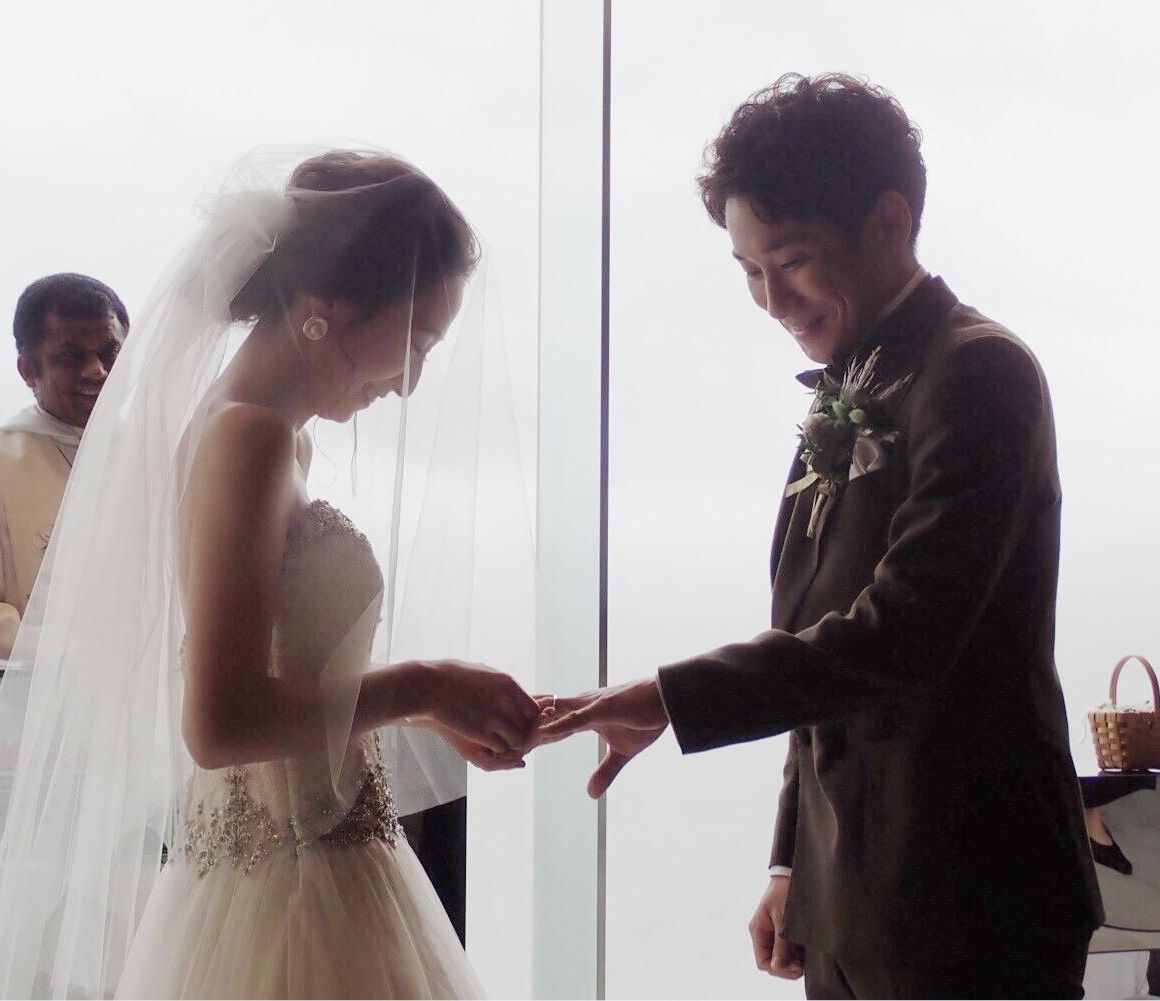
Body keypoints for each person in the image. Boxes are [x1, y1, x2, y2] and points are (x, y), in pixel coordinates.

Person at [539, 73, 1103, 999]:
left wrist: (673, 696)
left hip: (972, 898)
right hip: (851, 902)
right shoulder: (857, 378)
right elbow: (815, 633)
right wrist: (792, 860)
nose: (769, 298)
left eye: (791, 260)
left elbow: (904, 633)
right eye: (748, 270)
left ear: (889, 221)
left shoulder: (980, 372)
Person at [0, 150, 538, 999]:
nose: (408, 381)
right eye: (414, 341)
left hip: (326, 852)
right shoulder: (243, 438)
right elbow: (220, 722)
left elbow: (291, 668)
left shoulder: (279, 437)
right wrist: (428, 684)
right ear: (325, 309)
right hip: (285, 883)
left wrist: (430, 708)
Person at [0, 274, 128, 657]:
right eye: (71, 357)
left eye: (109, 352)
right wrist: (69, 651)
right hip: (36, 682)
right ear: (28, 371)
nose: (97, 371)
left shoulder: (156, 450)